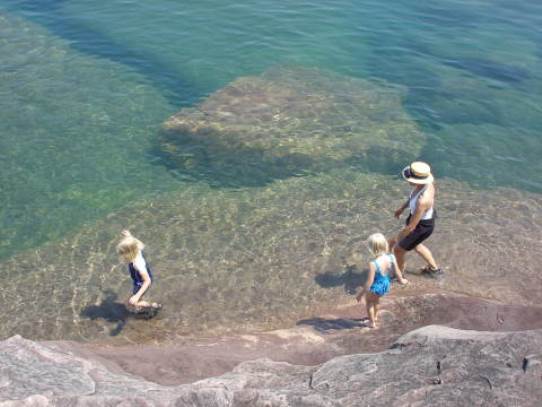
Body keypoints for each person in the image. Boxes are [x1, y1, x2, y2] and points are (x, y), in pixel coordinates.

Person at [391, 161, 443, 278]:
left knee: (398, 250)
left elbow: (412, 227)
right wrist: (402, 208)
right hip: (421, 220)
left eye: (410, 179)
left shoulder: (423, 201)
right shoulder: (427, 183)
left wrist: (398, 238)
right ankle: (434, 270)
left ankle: (399, 275)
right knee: (417, 245)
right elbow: (411, 198)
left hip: (421, 226)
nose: (408, 180)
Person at [356, 233, 408, 328]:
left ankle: (372, 323)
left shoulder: (373, 264)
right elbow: (397, 271)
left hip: (375, 287)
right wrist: (402, 280)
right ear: (385, 244)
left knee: (369, 302)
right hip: (385, 284)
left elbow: (369, 282)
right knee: (376, 301)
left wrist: (360, 294)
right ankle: (375, 317)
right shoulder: (391, 257)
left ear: (371, 249)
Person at [116, 230, 161, 312]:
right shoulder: (137, 248)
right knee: (135, 298)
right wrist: (129, 236)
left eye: (123, 255)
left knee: (134, 302)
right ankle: (142, 302)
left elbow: (147, 281)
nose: (122, 257)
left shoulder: (138, 264)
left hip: (141, 281)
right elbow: (141, 245)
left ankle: (153, 306)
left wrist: (137, 296)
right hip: (138, 277)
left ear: (130, 254)